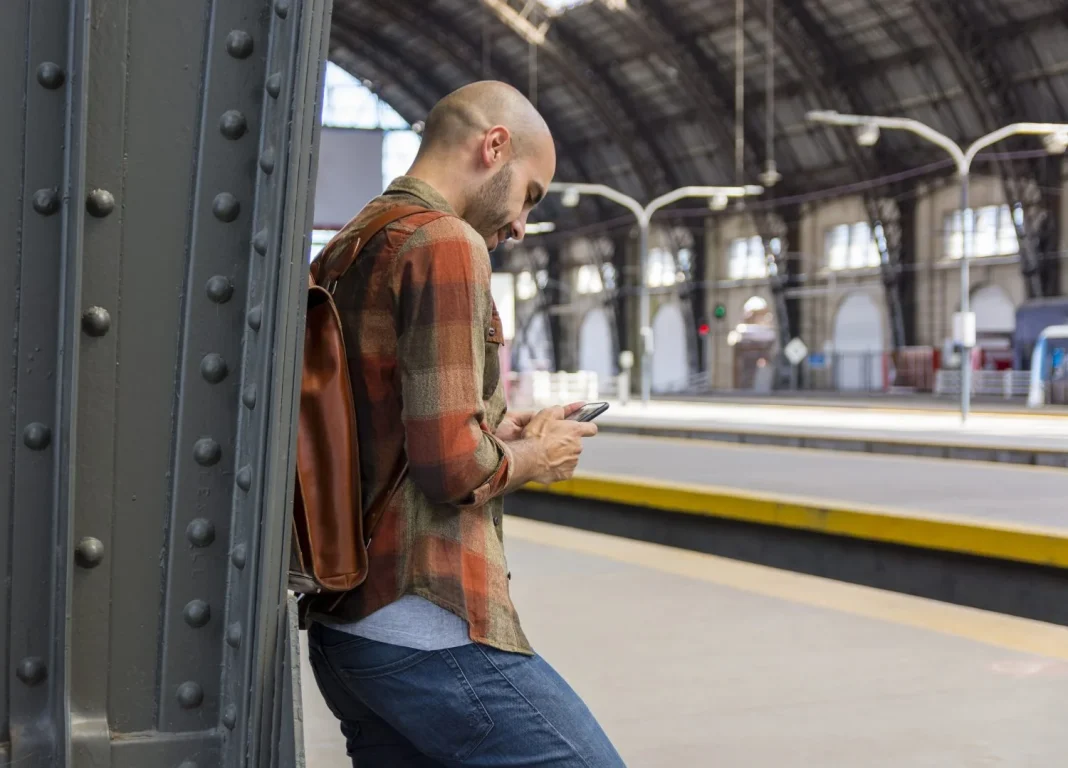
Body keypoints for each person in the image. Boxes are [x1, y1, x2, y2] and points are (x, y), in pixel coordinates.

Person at [305, 81, 626, 768]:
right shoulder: (446, 243)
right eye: (530, 195)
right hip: (427, 619)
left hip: (349, 630)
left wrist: (506, 433)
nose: (520, 224)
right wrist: (541, 456)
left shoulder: (349, 246)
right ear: (494, 146)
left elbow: (390, 433)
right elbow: (450, 466)